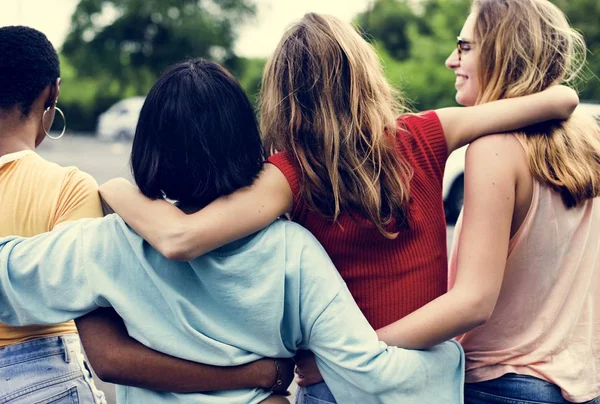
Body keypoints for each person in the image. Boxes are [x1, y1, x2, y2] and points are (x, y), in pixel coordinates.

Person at [96, 13, 579, 403]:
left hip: (335, 382)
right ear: (364, 72)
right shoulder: (428, 135)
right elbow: (562, 98)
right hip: (421, 381)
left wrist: (116, 189)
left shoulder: (287, 177)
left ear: (284, 96)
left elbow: (181, 238)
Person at [0, 58, 466, 404]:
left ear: (148, 148)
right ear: (246, 141)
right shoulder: (293, 251)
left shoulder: (108, 242)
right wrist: (452, 361)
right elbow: (366, 368)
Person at [0, 25, 301, 403]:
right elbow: (107, 353)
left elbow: (109, 355)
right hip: (43, 379)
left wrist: (119, 190)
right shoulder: (67, 188)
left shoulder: (112, 235)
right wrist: (256, 376)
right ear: (52, 91)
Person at [357, 0, 600, 403]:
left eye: (465, 47)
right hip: (582, 385)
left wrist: (357, 350)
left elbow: (472, 302)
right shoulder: (589, 140)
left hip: (501, 386)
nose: (451, 60)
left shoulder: (495, 148)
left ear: (503, 51)